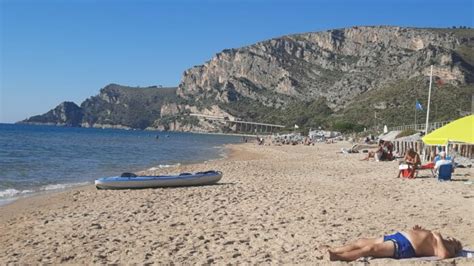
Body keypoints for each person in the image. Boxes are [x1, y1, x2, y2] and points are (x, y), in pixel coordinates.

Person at [329, 225, 462, 261]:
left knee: (370, 249)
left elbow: (443, 255)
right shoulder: (443, 241)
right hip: (400, 237)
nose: (453, 240)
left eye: (456, 242)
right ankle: (334, 250)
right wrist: (417, 231)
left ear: (456, 248)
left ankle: (339, 257)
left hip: (406, 246)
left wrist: (438, 238)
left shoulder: (448, 249)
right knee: (361, 241)